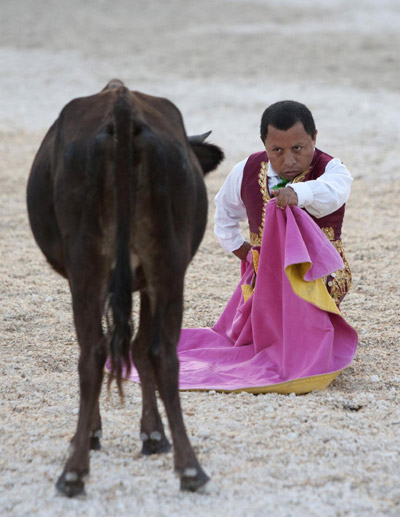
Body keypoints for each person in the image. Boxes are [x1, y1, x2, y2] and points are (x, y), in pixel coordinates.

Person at [214, 100, 352, 306]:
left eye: (297, 148)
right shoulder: (246, 170)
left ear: (314, 137)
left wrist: (298, 192)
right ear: (264, 144)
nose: (289, 160)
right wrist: (239, 248)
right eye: (277, 150)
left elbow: (333, 192)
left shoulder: (332, 169)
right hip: (266, 283)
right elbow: (225, 210)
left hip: (319, 282)